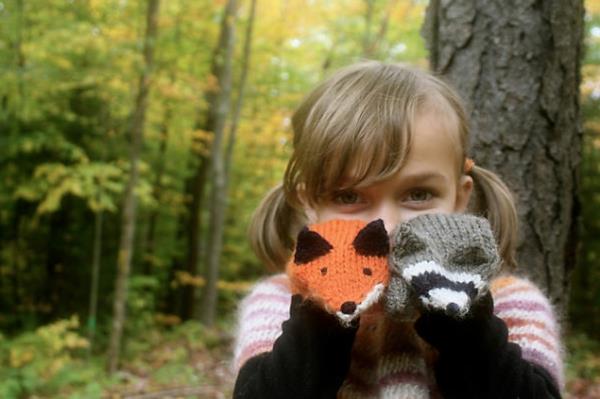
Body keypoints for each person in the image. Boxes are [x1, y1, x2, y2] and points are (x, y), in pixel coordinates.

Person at [231, 61, 563, 398]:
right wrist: (327, 310)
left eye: (418, 194)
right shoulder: (277, 301)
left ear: (459, 199)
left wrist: (460, 319)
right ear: (310, 205)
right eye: (349, 196)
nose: (388, 226)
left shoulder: (512, 303)